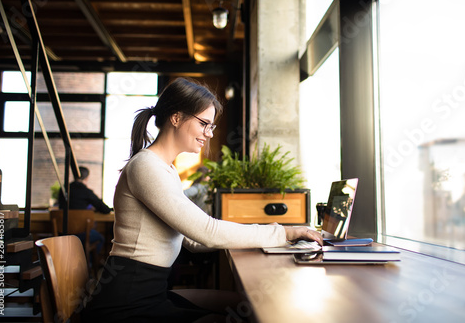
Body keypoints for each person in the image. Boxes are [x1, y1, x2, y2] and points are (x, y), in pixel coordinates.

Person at [82, 77, 322, 323]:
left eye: (212, 127)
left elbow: (193, 240)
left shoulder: (166, 169)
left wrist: (259, 239)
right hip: (127, 303)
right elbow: (206, 232)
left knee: (244, 304)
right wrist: (284, 232)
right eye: (204, 124)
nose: (208, 134)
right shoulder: (146, 167)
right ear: (176, 118)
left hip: (149, 292)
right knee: (246, 314)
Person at [58, 166, 112, 254]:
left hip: (62, 234)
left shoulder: (63, 190)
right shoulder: (86, 191)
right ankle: (88, 264)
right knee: (100, 238)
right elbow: (105, 209)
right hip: (81, 234)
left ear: (74, 175)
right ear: (87, 178)